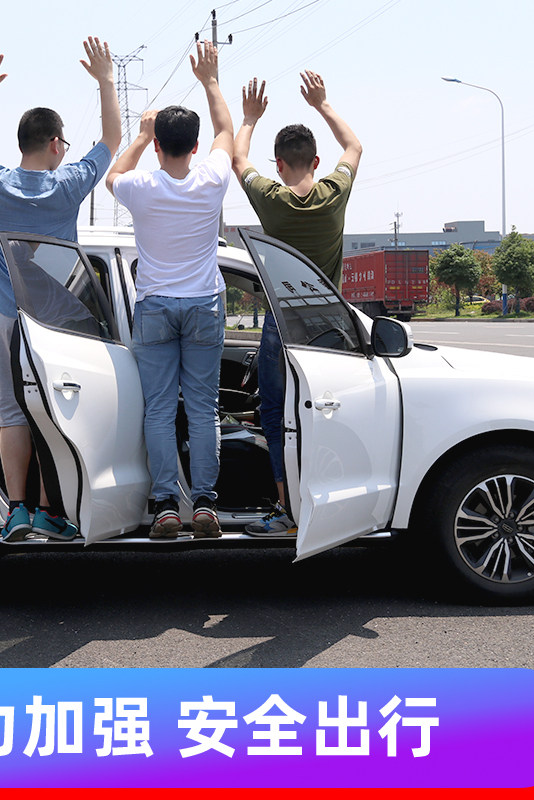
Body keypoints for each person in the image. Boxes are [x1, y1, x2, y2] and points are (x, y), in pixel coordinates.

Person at [0, 40, 121, 542]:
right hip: (60, 328)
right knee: (55, 417)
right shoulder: (67, 185)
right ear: (55, 143)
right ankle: (49, 511)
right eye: (63, 143)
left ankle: (16, 511)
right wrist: (106, 80)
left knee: (11, 416)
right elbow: (112, 138)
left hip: (11, 323)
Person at [105, 40, 233, 539]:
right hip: (204, 305)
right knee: (202, 409)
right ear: (195, 147)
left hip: (155, 306)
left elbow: (113, 175)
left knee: (158, 409)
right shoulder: (212, 179)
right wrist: (210, 80)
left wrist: (140, 135)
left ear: (159, 146)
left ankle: (164, 506)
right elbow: (226, 131)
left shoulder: (141, 188)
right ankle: (205, 504)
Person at [232, 70, 362, 536]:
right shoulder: (334, 194)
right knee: (326, 413)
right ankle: (332, 503)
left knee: (275, 414)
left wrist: (250, 117)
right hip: (332, 327)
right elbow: (354, 146)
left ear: (280, 164)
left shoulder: (271, 199)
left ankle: (287, 508)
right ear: (316, 160)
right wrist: (322, 104)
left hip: (282, 326)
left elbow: (238, 158)